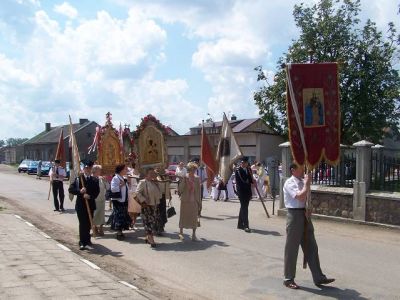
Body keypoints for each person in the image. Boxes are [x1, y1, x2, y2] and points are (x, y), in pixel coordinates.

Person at [283, 162, 335, 289]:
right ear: (293, 170)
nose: (303, 171)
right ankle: (288, 278)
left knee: (311, 246)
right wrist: (307, 184)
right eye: (301, 168)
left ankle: (318, 277)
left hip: (304, 214)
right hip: (294, 216)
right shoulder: (289, 182)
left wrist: (309, 206)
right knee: (292, 248)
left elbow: (305, 198)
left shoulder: (302, 181)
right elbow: (300, 197)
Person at [68, 160, 100, 250]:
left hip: (90, 205)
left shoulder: (94, 180)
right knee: (83, 224)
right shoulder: (79, 179)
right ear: (84, 168)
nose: (88, 170)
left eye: (89, 168)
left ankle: (87, 239)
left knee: (89, 223)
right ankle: (82, 242)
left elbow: (97, 192)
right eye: (86, 168)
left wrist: (90, 196)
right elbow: (71, 189)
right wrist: (79, 191)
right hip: (81, 206)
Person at [136, 168, 162, 248]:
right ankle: (151, 239)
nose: (152, 175)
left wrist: (158, 184)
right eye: (150, 173)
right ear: (146, 174)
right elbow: (137, 192)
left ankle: (148, 237)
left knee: (153, 222)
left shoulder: (155, 182)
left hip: (155, 205)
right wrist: (144, 199)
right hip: (147, 206)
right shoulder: (143, 182)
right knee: (148, 223)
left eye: (153, 173)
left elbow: (160, 194)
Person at [178, 162, 201, 241]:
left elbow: (198, 191)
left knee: (194, 217)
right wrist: (184, 181)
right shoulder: (185, 177)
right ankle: (181, 232)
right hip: (185, 200)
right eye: (192, 169)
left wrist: (199, 203)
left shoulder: (197, 178)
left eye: (194, 169)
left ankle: (194, 234)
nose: (193, 171)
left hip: (194, 200)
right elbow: (180, 189)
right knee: (183, 216)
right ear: (189, 170)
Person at [110, 164, 131, 240]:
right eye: (125, 169)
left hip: (124, 200)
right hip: (118, 200)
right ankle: (119, 233)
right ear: (121, 170)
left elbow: (126, 189)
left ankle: (121, 231)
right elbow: (113, 189)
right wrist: (120, 185)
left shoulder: (123, 178)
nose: (126, 170)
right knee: (119, 216)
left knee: (123, 215)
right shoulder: (115, 178)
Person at [234, 157, 253, 233]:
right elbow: (240, 183)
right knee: (245, 208)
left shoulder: (249, 170)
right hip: (241, 192)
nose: (243, 164)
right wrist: (248, 181)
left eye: (245, 162)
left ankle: (239, 224)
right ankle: (246, 226)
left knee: (243, 207)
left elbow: (250, 180)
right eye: (242, 162)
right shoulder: (238, 171)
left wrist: (252, 181)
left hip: (248, 192)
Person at [155, 167, 171, 235]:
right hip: (157, 197)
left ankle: (161, 227)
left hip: (163, 196)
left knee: (162, 212)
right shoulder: (155, 174)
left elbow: (167, 186)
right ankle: (158, 228)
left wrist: (169, 195)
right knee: (157, 212)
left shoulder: (165, 175)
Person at [92, 164, 107, 236]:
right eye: (99, 170)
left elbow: (108, 187)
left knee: (101, 215)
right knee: (94, 215)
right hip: (94, 200)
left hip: (102, 199)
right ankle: (94, 228)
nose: (100, 171)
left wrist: (106, 181)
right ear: (95, 170)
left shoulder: (101, 179)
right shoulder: (91, 178)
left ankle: (101, 228)